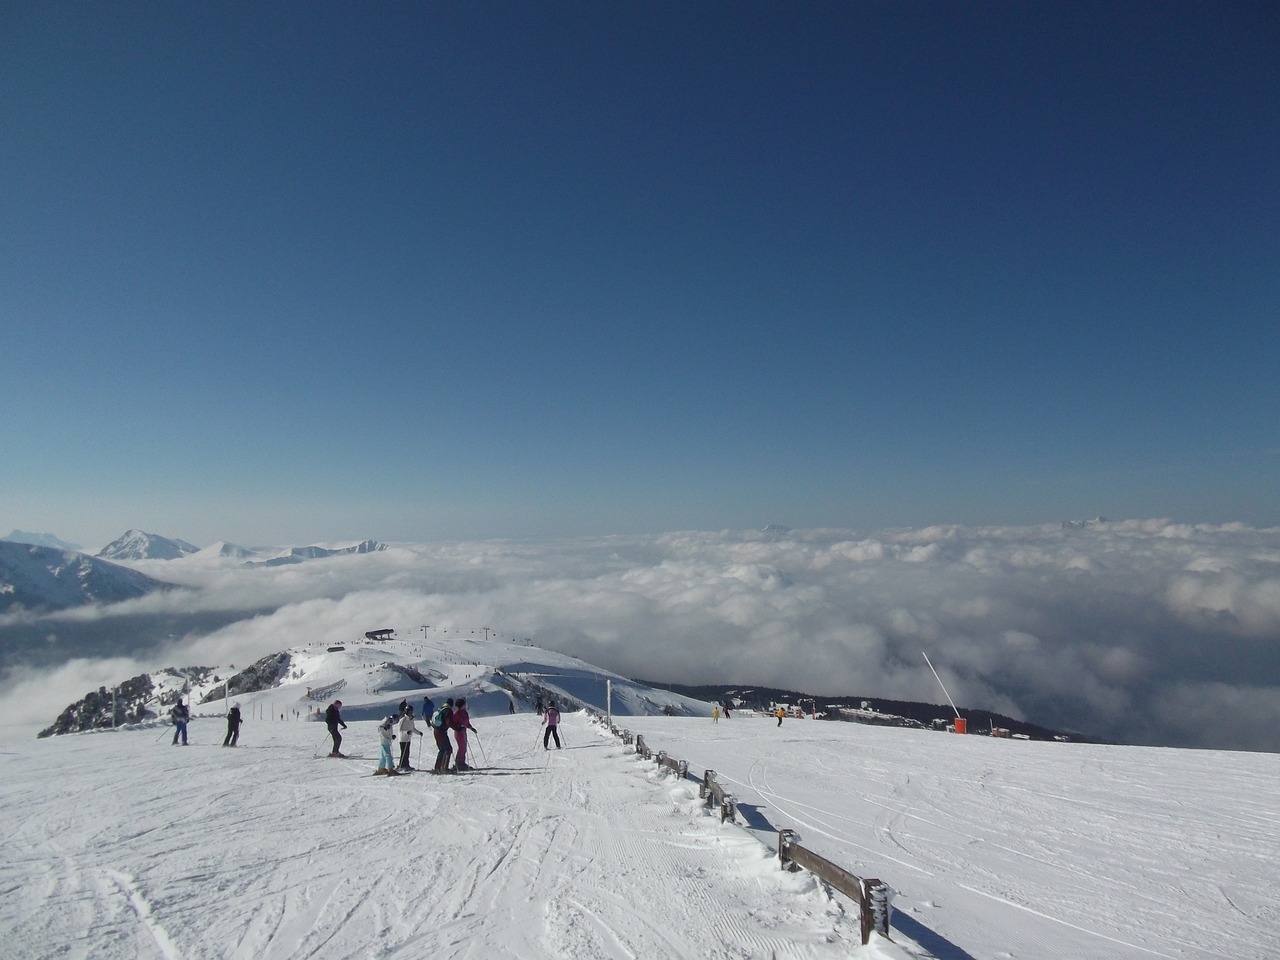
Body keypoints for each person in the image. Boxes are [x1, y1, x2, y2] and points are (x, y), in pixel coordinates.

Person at [452, 698, 477, 771]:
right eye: (464, 704)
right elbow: (454, 723)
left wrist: (471, 728)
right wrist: (459, 727)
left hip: (464, 732)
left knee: (464, 748)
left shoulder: (465, 712)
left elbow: (466, 722)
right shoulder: (456, 714)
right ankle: (458, 763)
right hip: (459, 732)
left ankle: (462, 762)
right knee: (461, 747)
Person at [431, 698, 455, 773]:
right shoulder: (448, 711)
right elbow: (449, 722)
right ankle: (444, 768)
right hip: (441, 731)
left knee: (442, 749)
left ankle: (437, 767)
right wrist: (457, 727)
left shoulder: (440, 709)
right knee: (448, 749)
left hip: (436, 730)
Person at [397, 706, 421, 771]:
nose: (411, 713)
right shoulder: (403, 719)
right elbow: (400, 729)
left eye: (411, 711)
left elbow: (412, 729)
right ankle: (401, 765)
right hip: (402, 739)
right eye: (409, 712)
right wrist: (406, 732)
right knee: (403, 752)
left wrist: (419, 733)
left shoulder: (411, 720)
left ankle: (406, 765)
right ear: (406, 712)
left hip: (408, 738)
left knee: (407, 752)